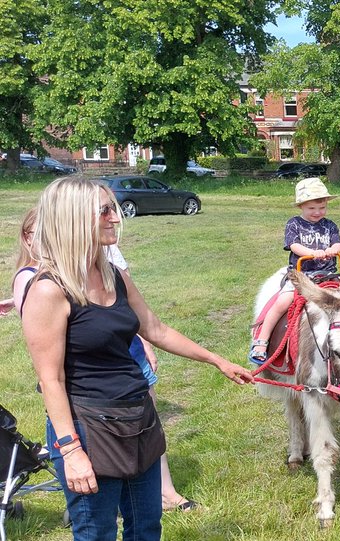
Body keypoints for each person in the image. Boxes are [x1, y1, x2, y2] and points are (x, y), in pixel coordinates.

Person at [21, 177, 253, 541]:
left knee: (146, 528)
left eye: (113, 209)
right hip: (88, 427)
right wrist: (71, 451)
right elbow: (51, 380)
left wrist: (217, 360)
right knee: (96, 534)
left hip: (138, 417)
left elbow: (156, 330)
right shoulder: (49, 290)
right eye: (105, 210)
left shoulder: (114, 275)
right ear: (73, 218)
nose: (116, 217)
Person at [105, 245, 200, 513]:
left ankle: (166, 493)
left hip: (132, 353)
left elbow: (130, 308)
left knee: (150, 426)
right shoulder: (50, 272)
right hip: (96, 378)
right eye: (104, 210)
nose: (114, 218)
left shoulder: (112, 259)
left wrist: (143, 338)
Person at [250, 177, 340, 363]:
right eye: (312, 208)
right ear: (301, 206)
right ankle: (262, 340)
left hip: (328, 275)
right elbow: (293, 245)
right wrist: (311, 252)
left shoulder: (330, 225)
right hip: (302, 275)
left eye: (322, 207)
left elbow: (337, 243)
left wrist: (334, 249)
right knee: (282, 302)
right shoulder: (294, 224)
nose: (318, 212)